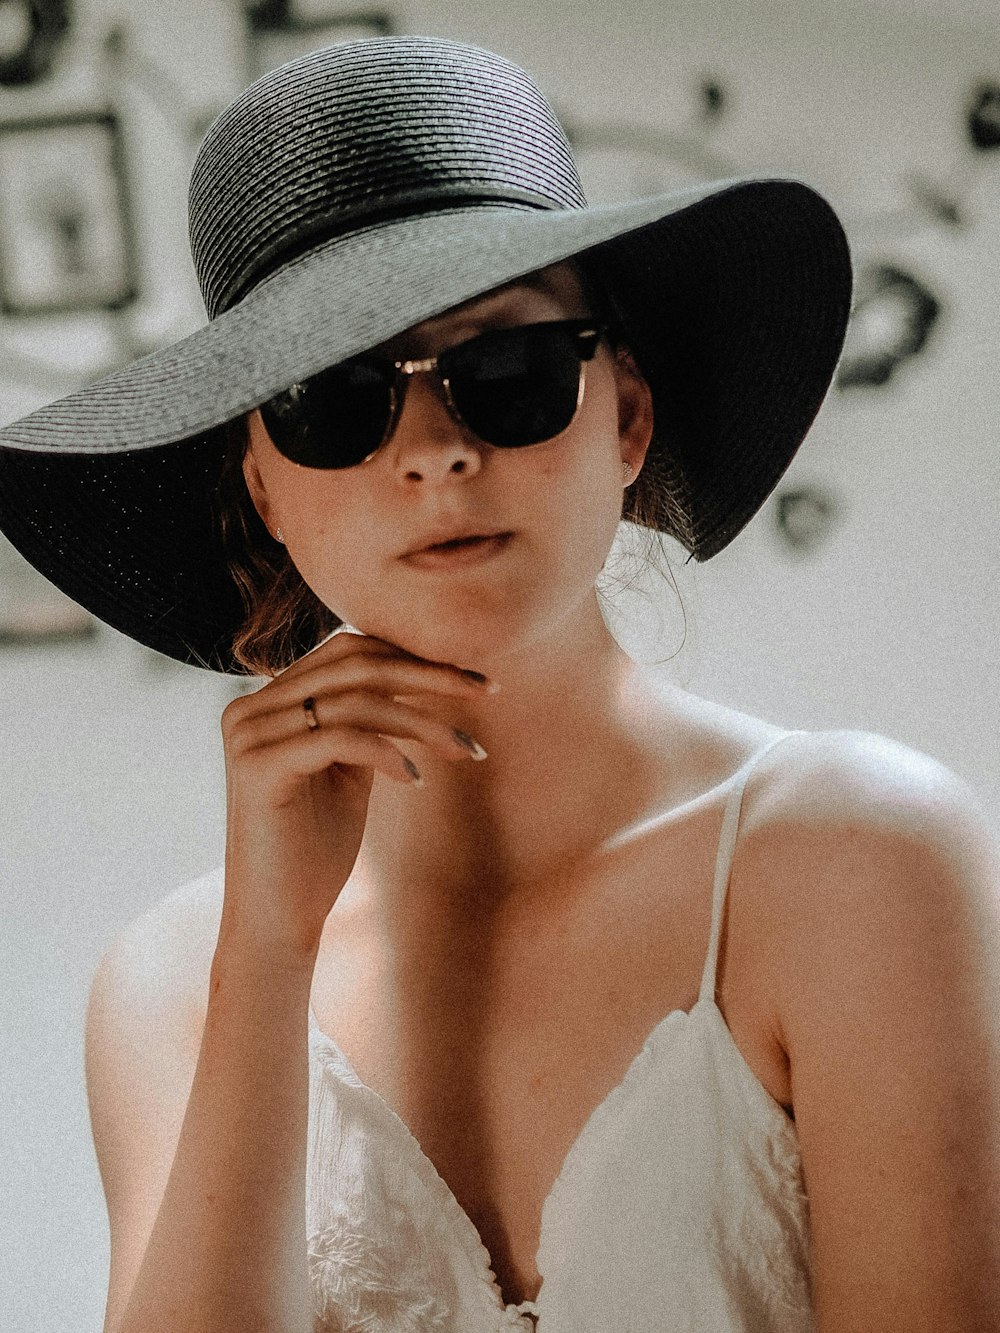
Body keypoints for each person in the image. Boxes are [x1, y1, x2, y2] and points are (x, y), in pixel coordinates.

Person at [1, 33, 997, 1333]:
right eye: (334, 401)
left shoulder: (861, 856)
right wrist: (269, 952)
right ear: (262, 486)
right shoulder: (173, 983)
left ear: (625, 418)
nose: (434, 454)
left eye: (506, 373)